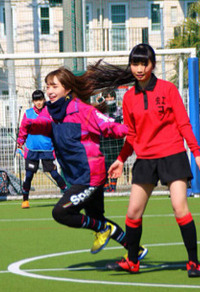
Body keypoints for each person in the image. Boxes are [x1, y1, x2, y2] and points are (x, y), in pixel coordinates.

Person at [17, 66, 148, 255]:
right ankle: (135, 250)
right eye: (47, 87)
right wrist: (24, 132)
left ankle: (103, 230)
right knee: (97, 219)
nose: (49, 91)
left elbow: (110, 126)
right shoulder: (49, 112)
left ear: (68, 88)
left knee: (61, 213)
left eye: (54, 86)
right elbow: (39, 124)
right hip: (77, 176)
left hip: (91, 176)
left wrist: (134, 129)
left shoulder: (84, 111)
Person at [107, 43, 200, 277]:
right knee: (133, 213)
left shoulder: (168, 89)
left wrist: (196, 152)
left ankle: (194, 262)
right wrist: (120, 159)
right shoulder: (128, 97)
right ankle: (132, 261)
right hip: (145, 159)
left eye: (143, 63)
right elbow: (132, 135)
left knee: (180, 208)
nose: (139, 68)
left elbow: (183, 123)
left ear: (153, 64)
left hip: (172, 154)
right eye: (135, 63)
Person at [17, 90, 67, 209]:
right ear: (33, 101)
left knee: (54, 173)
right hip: (31, 149)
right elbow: (23, 130)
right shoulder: (28, 113)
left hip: (47, 149)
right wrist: (20, 144)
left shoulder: (50, 112)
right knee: (29, 175)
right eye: (36, 100)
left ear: (44, 100)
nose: (38, 102)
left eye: (40, 100)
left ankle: (68, 196)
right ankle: (25, 200)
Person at [99, 90, 123, 192]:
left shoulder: (119, 110)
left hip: (116, 141)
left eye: (111, 97)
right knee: (103, 164)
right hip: (103, 141)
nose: (109, 99)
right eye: (107, 97)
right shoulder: (100, 110)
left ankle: (113, 187)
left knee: (114, 163)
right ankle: (105, 185)